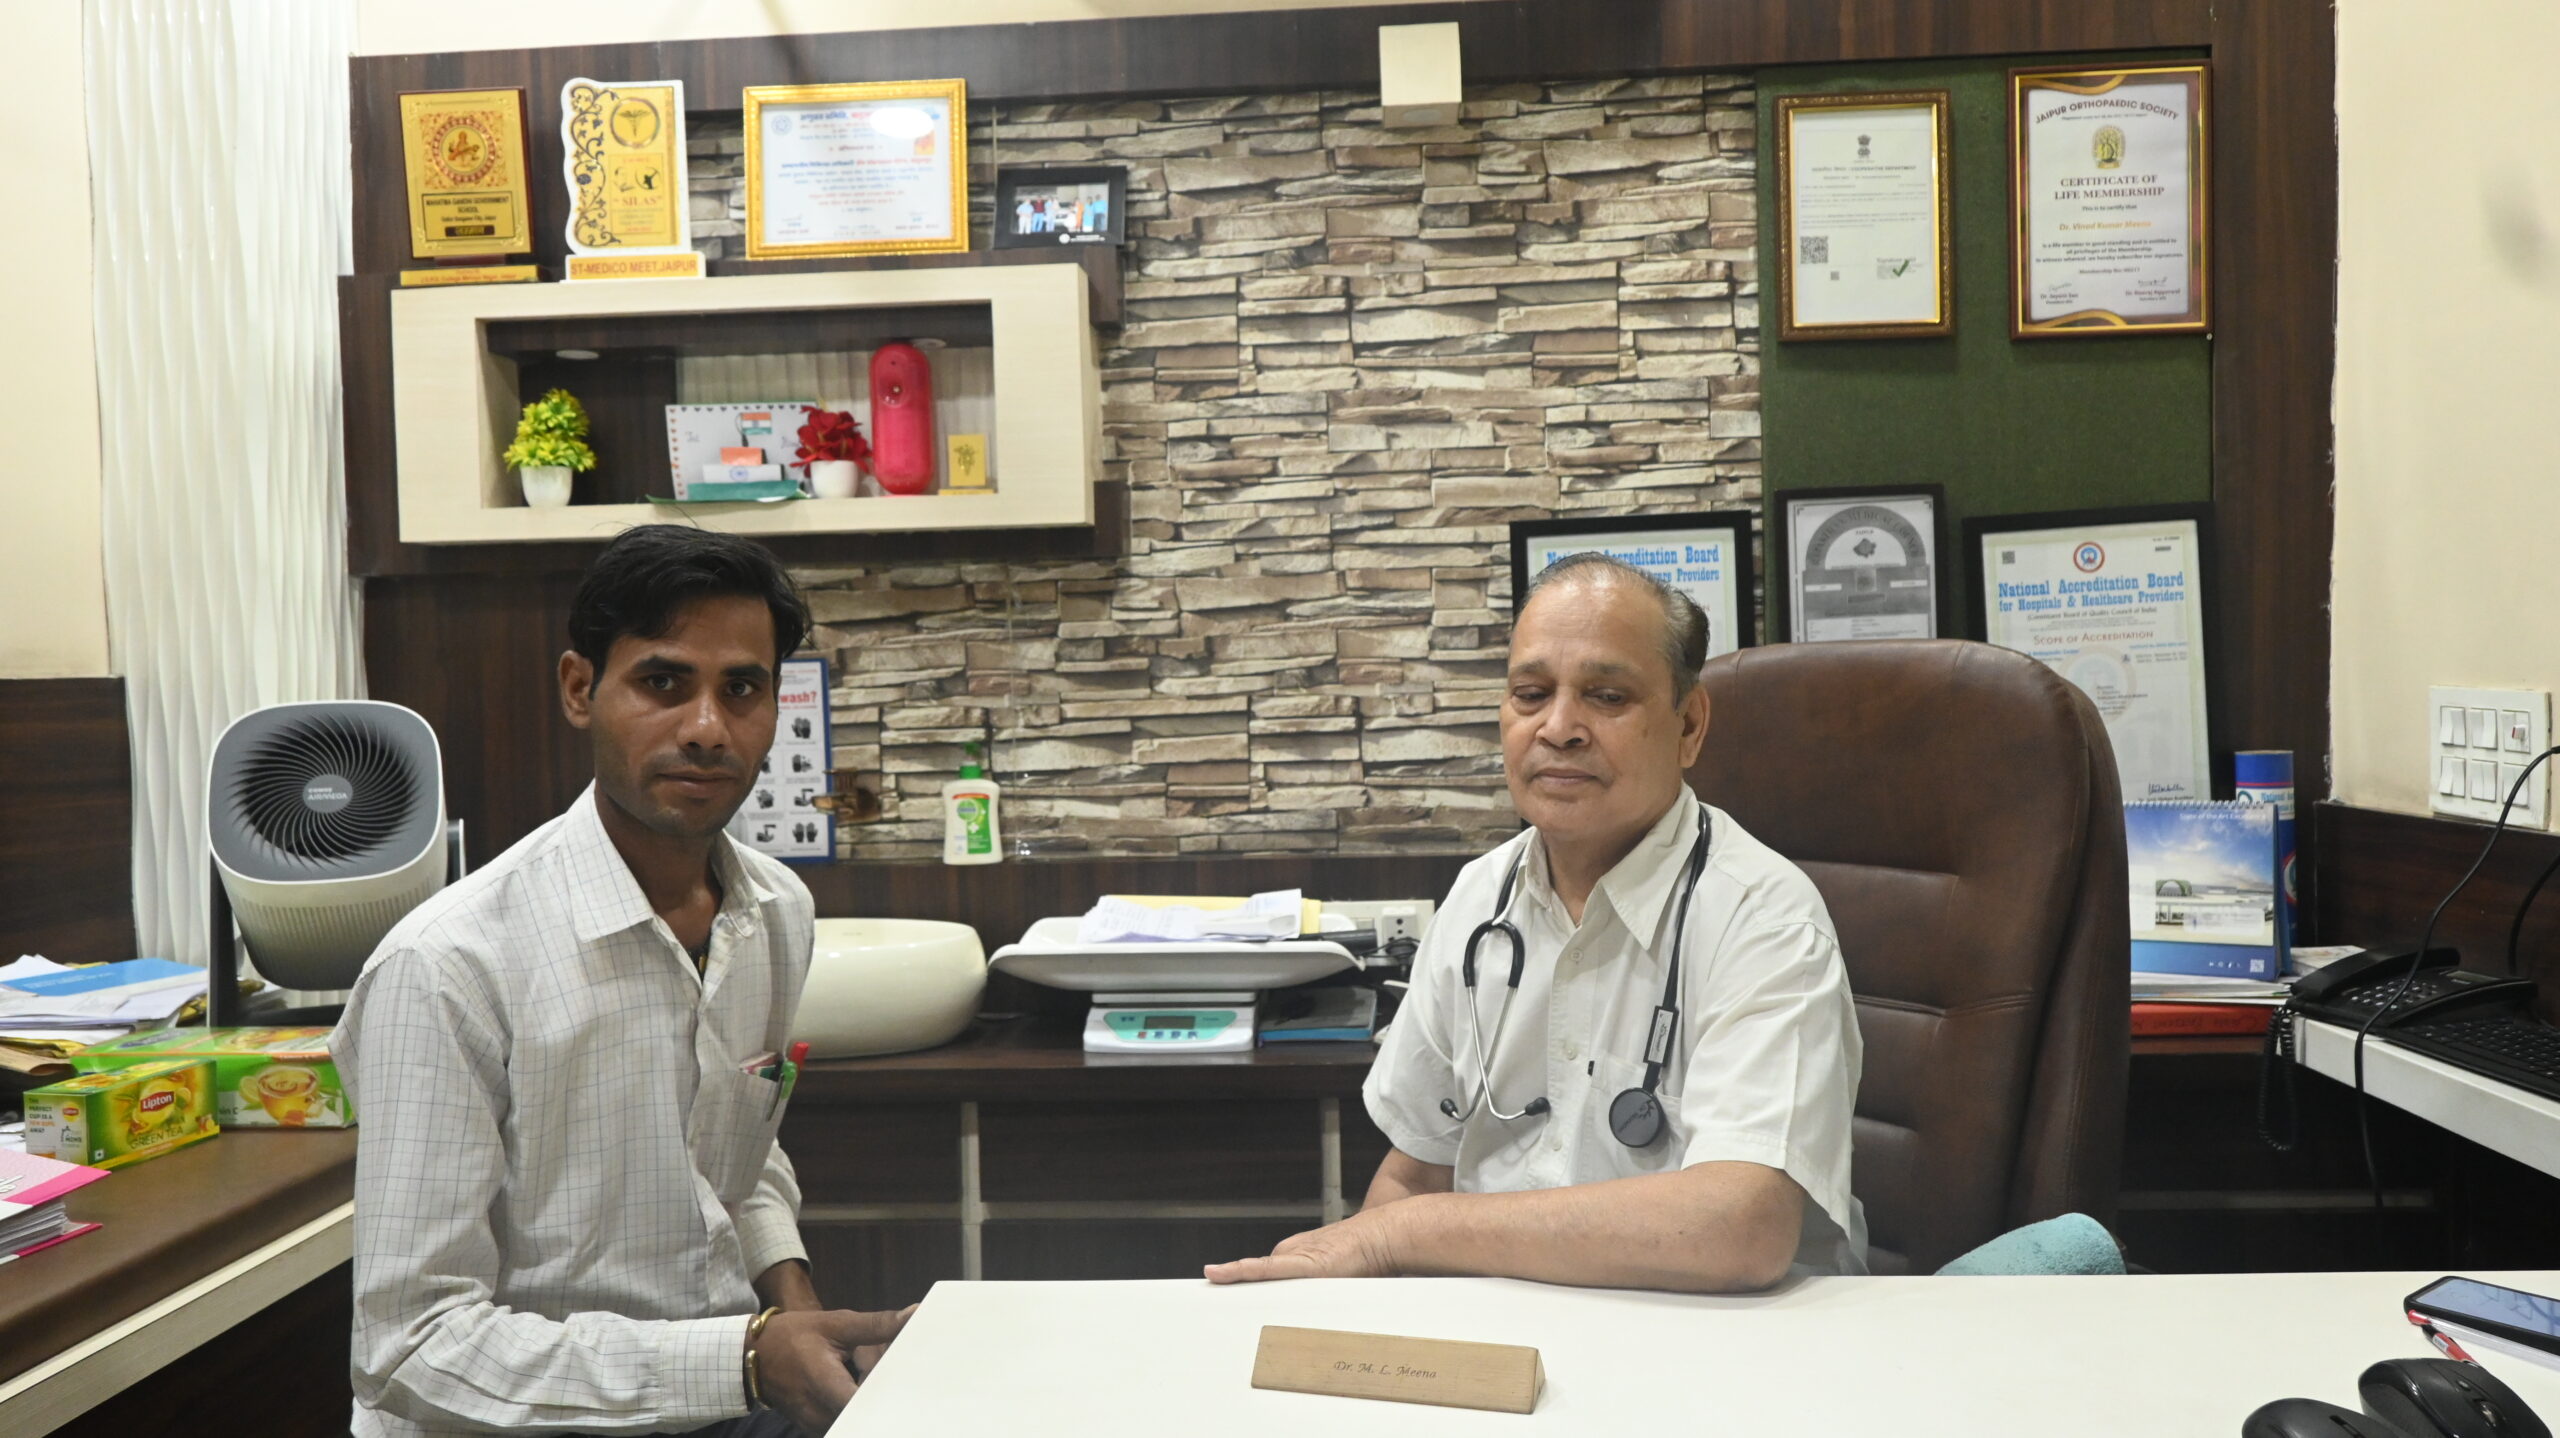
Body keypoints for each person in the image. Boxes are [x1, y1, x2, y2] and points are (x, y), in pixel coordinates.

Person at [335, 525, 910, 1438]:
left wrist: (800, 1322)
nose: (707, 728)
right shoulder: (448, 965)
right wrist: (746, 1358)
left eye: (743, 689)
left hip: (722, 1400)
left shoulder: (775, 912)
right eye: (663, 683)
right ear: (580, 689)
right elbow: (409, 1346)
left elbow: (737, 1164)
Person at [1206, 553, 1866, 1292]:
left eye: (1607, 696)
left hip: (1724, 1334)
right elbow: (1417, 1174)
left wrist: (1404, 1234)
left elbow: (1741, 1227)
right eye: (1531, 694)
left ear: (1688, 725)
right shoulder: (1478, 899)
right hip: (1505, 1328)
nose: (1559, 728)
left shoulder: (1764, 917)